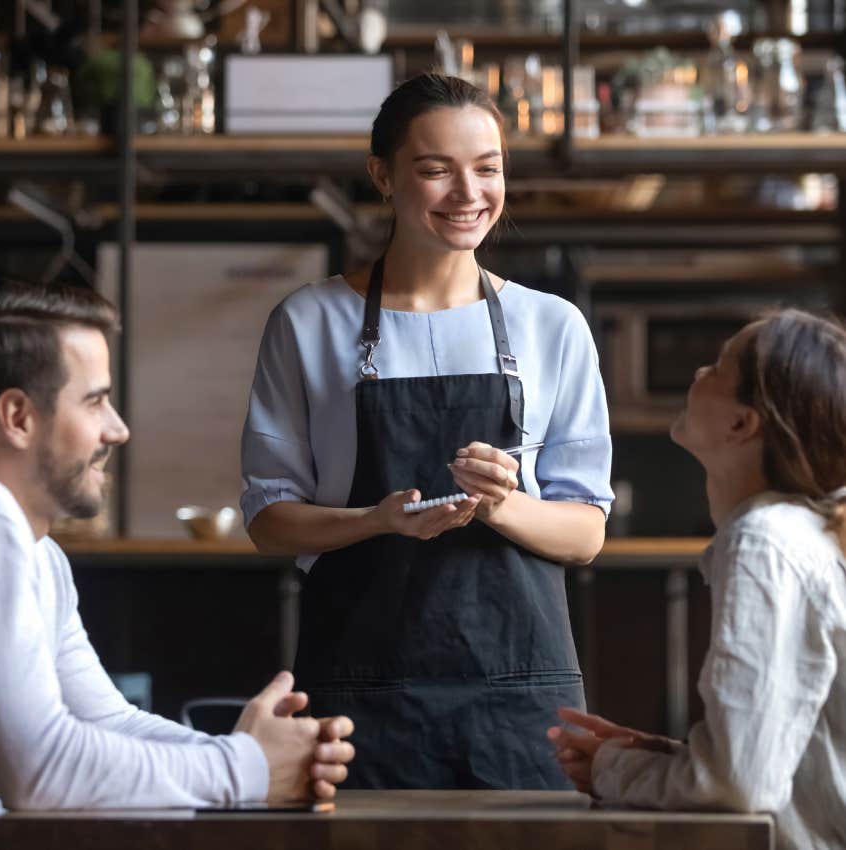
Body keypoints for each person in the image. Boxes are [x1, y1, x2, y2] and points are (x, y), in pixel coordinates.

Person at [241, 73, 614, 790]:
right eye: (436, 170)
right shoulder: (309, 322)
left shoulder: (552, 326)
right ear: (382, 175)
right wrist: (375, 521)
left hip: (520, 695)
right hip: (359, 694)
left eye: (487, 168)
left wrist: (505, 505)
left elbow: (586, 531)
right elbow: (269, 519)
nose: (468, 194)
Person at [0, 279, 354, 811]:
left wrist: (257, 756)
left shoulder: (39, 555)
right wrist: (247, 768)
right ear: (18, 418)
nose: (117, 430)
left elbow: (109, 721)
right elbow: (40, 767)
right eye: (95, 402)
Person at [548, 309, 846, 850]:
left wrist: (615, 771)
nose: (697, 374)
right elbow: (781, 758)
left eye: (717, 367)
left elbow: (738, 786)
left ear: (741, 424)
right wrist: (672, 757)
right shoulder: (799, 533)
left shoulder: (764, 543)